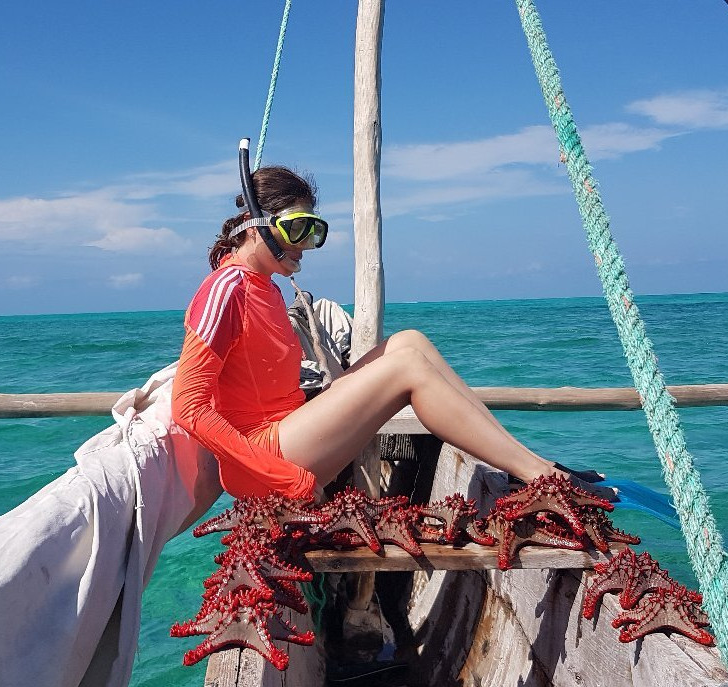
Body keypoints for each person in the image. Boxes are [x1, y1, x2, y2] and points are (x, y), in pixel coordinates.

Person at [171, 152, 611, 506]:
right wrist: (285, 478)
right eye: (297, 230)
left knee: (408, 341)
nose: (306, 246)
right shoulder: (226, 288)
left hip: (291, 431)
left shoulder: (264, 285)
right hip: (267, 461)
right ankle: (542, 478)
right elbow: (189, 409)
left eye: (314, 232)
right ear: (257, 228)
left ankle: (528, 464)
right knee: (407, 370)